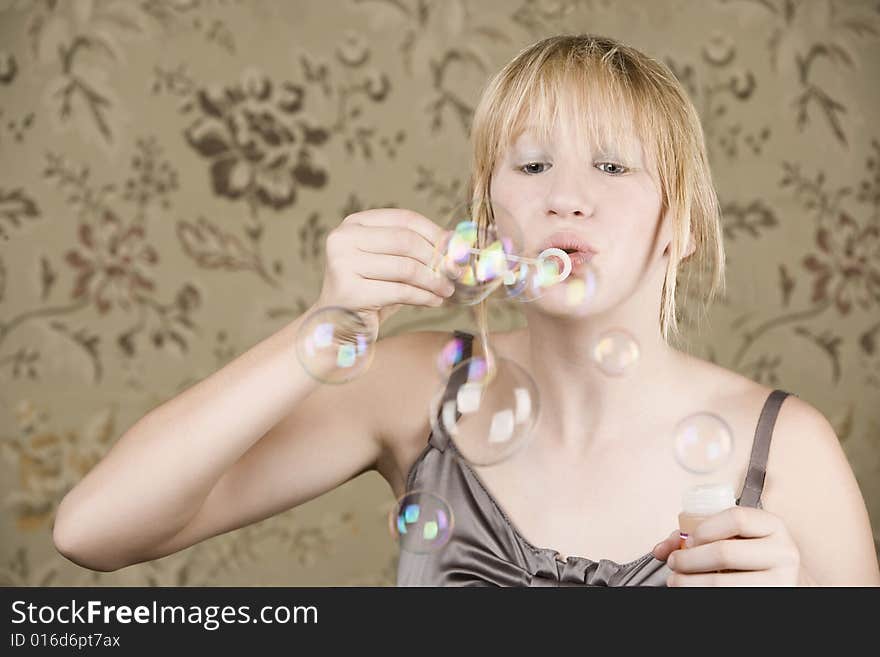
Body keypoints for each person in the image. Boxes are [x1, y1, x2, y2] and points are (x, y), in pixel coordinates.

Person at [52, 34, 880, 587]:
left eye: (612, 165)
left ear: (685, 228)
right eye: (530, 165)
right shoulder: (418, 388)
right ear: (490, 218)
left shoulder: (788, 451)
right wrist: (322, 334)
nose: (566, 198)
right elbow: (93, 531)